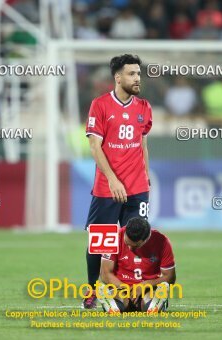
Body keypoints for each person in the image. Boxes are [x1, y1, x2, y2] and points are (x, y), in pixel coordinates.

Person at [83, 54, 152, 309]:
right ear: (118, 77)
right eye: (132, 74)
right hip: (106, 189)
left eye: (138, 74)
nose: (137, 78)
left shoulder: (144, 107)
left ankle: (138, 294)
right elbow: (94, 146)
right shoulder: (99, 105)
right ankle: (92, 292)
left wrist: (147, 175)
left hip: (137, 188)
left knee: (139, 242)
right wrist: (112, 179)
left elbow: (143, 143)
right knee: (100, 242)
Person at [98, 217, 176, 313]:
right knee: (121, 300)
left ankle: (154, 303)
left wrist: (145, 285)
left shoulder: (162, 241)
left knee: (148, 300)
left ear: (146, 238)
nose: (130, 249)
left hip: (148, 288)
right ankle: (112, 304)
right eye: (127, 244)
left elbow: (170, 277)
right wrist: (126, 288)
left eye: (135, 246)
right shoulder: (113, 237)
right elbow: (105, 273)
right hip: (121, 286)